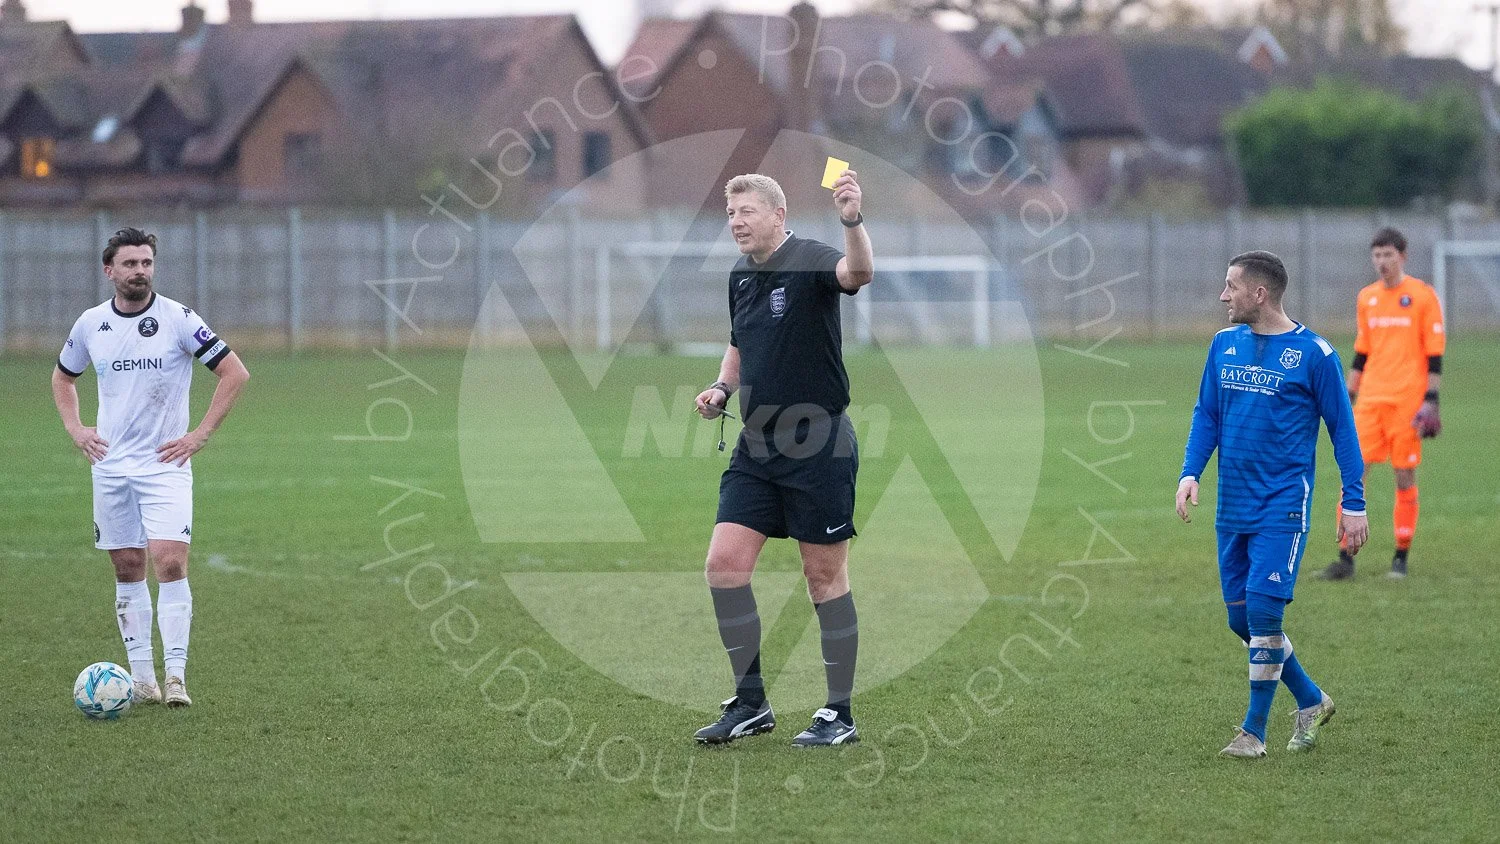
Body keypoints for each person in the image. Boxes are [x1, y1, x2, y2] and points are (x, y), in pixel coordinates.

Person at [691, 171, 873, 747]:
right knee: (724, 566)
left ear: (778, 212)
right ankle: (751, 703)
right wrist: (722, 388)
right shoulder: (741, 276)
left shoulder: (812, 259)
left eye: (747, 211)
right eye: (730, 213)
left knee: (823, 578)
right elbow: (740, 342)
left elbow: (859, 273)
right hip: (757, 447)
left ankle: (837, 712)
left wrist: (851, 217)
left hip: (819, 444)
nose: (737, 222)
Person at [1176, 251, 1368, 758]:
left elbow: (1343, 434)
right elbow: (1207, 415)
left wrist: (1355, 503)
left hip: (1283, 505)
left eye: (1231, 287)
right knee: (1241, 620)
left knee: (1263, 612)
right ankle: (1310, 699)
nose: (1223, 296)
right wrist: (1190, 471)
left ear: (1259, 294)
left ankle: (1252, 733)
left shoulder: (1314, 355)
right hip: (1232, 505)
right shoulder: (1223, 345)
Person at [52, 227, 250, 708]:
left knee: (170, 560)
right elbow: (63, 377)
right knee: (127, 567)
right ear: (109, 271)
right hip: (111, 467)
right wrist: (77, 429)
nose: (140, 271)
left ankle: (176, 677)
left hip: (165, 465)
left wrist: (200, 433)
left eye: (146, 263)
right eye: (130, 264)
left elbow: (234, 372)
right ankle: (142, 679)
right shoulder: (90, 324)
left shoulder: (179, 319)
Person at [1317, 227, 1444, 580]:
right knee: (1353, 474)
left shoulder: (1422, 296)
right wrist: (1346, 396)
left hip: (1407, 402)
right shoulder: (1367, 298)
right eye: (1377, 255)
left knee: (1404, 476)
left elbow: (1434, 354)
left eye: (1388, 254)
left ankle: (1400, 557)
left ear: (1403, 256)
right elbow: (1362, 351)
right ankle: (1345, 558)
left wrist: (1431, 399)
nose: (1382, 262)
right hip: (1370, 400)